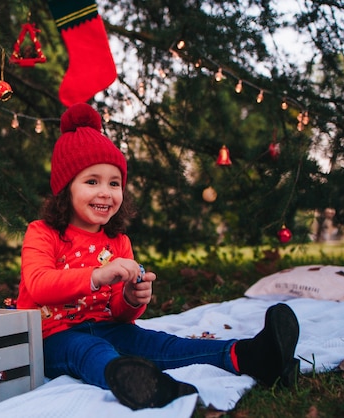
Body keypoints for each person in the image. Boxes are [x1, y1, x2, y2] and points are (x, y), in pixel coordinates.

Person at [16, 103, 301, 410]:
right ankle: (142, 383)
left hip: (109, 326)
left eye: (114, 183)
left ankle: (250, 356)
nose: (106, 192)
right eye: (92, 181)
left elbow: (120, 315)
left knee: (157, 342)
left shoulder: (118, 241)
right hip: (54, 338)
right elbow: (39, 285)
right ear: (65, 189)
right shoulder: (43, 232)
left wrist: (132, 297)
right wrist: (96, 276)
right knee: (90, 350)